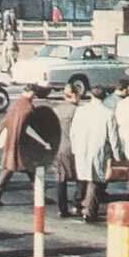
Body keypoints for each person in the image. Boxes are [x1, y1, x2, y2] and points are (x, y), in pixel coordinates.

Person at [0, 84, 49, 206]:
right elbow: (31, 129)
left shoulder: (15, 105)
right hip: (23, 146)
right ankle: (40, 195)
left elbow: (4, 122)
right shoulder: (28, 107)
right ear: (31, 93)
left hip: (11, 142)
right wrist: (42, 142)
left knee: (9, 169)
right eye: (34, 94)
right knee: (32, 169)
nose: (35, 97)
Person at [70, 85, 122, 221]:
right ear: (104, 97)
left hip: (81, 148)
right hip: (98, 150)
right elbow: (113, 137)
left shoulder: (80, 110)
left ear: (91, 95)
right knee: (95, 180)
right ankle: (89, 211)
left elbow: (73, 132)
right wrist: (117, 155)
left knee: (83, 177)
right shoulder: (108, 113)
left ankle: (79, 205)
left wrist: (74, 148)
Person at [54, 85, 85, 217]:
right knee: (81, 177)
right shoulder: (77, 111)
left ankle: (62, 208)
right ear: (74, 95)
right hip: (74, 148)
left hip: (59, 147)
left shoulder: (56, 109)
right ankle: (77, 204)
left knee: (61, 178)